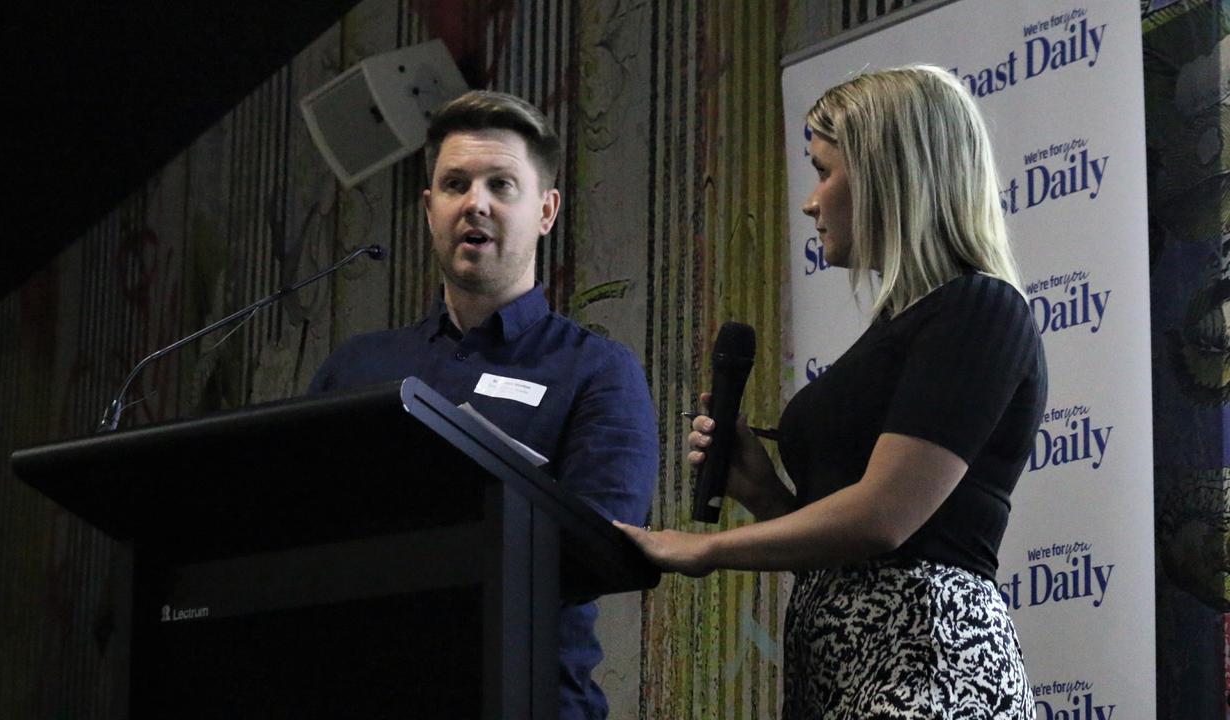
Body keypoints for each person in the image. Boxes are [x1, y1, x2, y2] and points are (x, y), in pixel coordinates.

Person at [615, 65, 1047, 719]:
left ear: (886, 174)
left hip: (934, 673)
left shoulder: (981, 309)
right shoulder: (900, 330)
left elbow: (882, 520)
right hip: (848, 679)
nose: (810, 201)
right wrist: (765, 496)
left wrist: (702, 547)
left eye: (823, 171)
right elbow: (857, 555)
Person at [309, 90, 659, 720]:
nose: (476, 202)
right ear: (429, 208)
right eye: (455, 184)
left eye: (502, 183)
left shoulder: (598, 373)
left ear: (547, 211)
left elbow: (602, 549)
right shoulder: (355, 369)